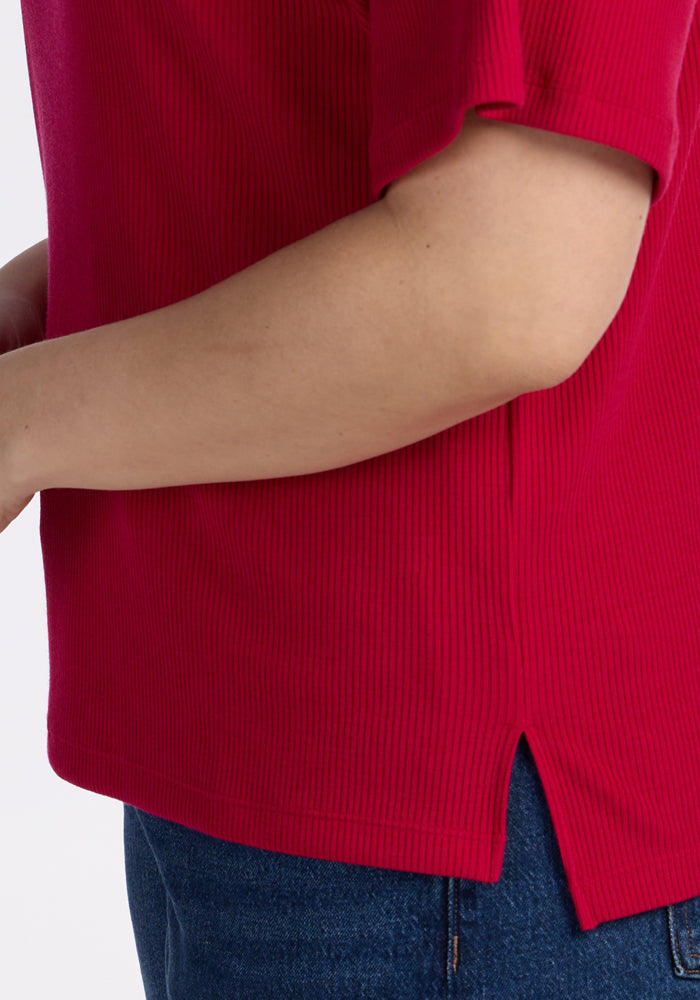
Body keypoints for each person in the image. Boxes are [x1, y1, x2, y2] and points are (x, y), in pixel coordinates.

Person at [2, 0, 700, 996]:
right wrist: (45, 307)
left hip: (457, 829)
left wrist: (21, 421)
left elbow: (504, 286)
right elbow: (305, 102)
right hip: (254, 751)